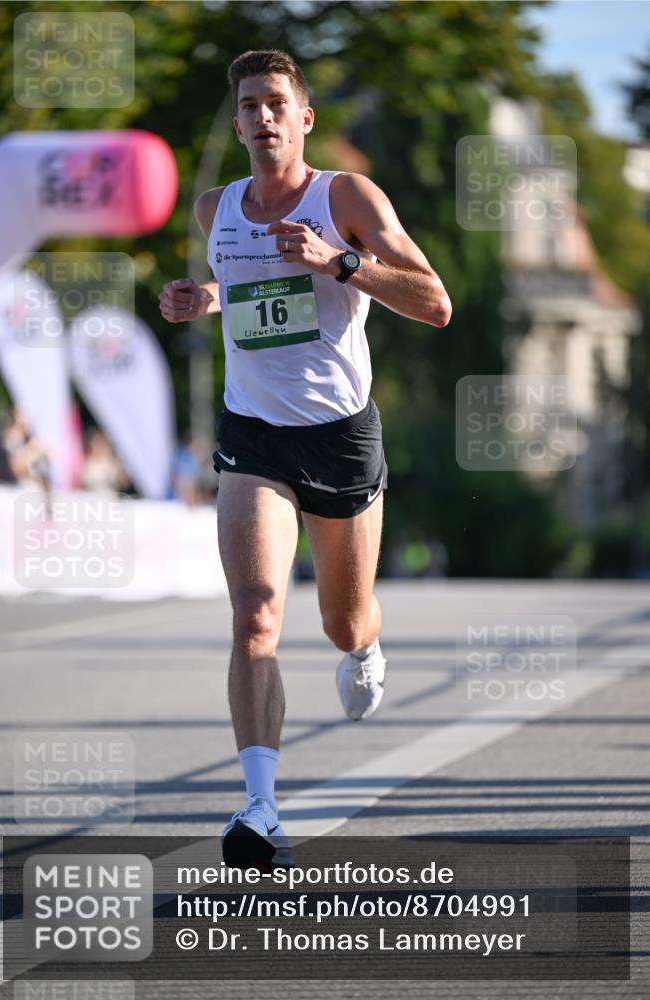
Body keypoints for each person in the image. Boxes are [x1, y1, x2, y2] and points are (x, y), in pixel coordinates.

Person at [159, 49, 451, 867]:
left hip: (339, 433)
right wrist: (199, 300)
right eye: (248, 105)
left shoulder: (344, 197)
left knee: (340, 619)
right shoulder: (215, 206)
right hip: (252, 436)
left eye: (276, 104)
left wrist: (340, 262)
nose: (261, 118)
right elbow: (244, 293)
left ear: (304, 117)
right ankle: (259, 808)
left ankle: (363, 646)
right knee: (255, 613)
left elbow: (434, 302)